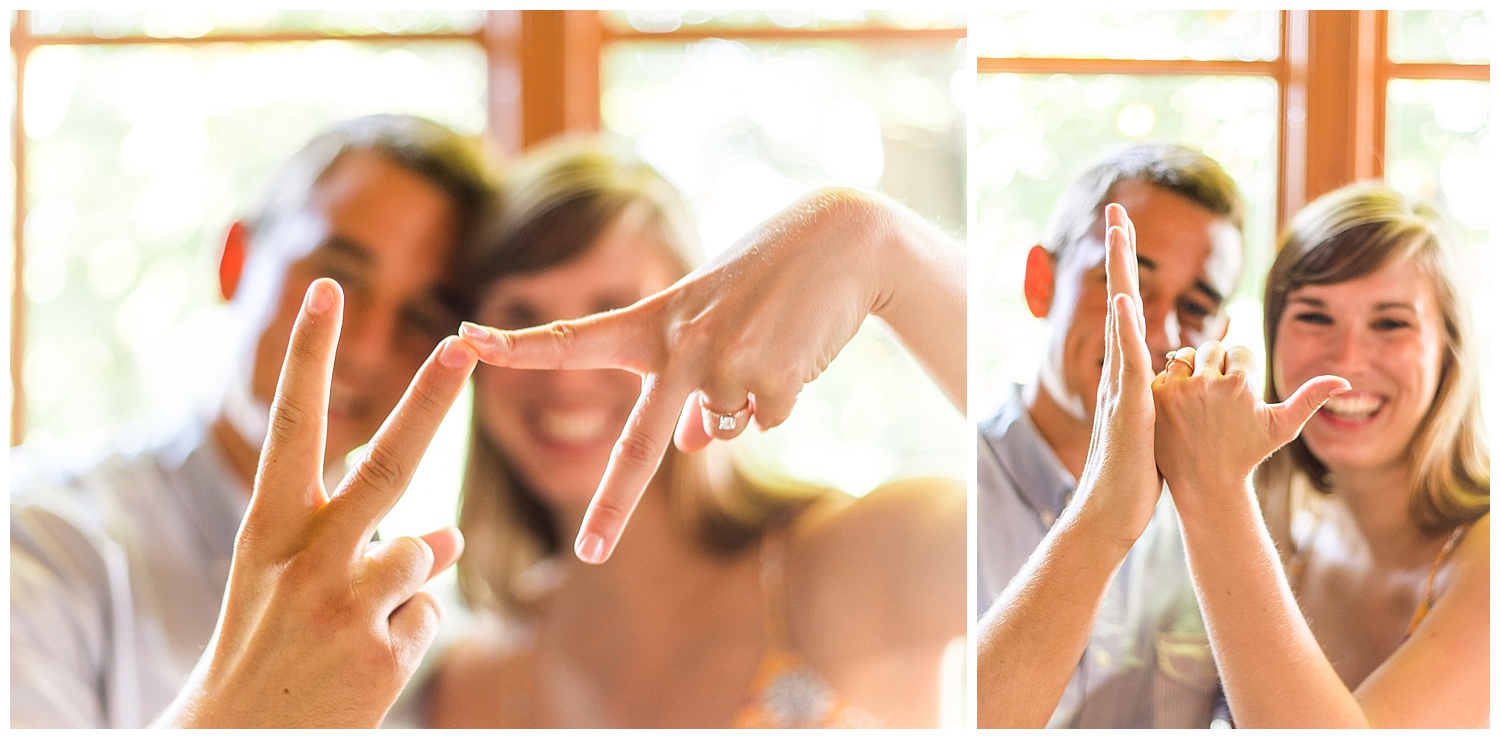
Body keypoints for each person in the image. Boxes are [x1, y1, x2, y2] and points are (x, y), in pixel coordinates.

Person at [409, 141, 967, 728]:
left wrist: (882, 243)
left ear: (710, 329)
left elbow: (1049, 509)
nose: (566, 376)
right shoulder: (463, 681)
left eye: (616, 311)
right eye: (520, 318)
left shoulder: (862, 561)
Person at [10, 114, 495, 728]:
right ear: (234, 261)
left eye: (421, 315)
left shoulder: (427, 630)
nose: (367, 347)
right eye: (340, 276)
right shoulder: (39, 538)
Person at [1151, 182, 1489, 726]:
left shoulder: (1485, 556)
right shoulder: (1288, 528)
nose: (1347, 361)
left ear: (1450, 349)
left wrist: (1213, 487)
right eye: (1314, 316)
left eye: (1390, 323)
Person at [974, 143, 1246, 727]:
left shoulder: (1230, 522)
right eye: (1124, 285)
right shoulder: (949, 496)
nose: (1153, 331)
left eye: (1195, 308)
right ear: (1040, 282)